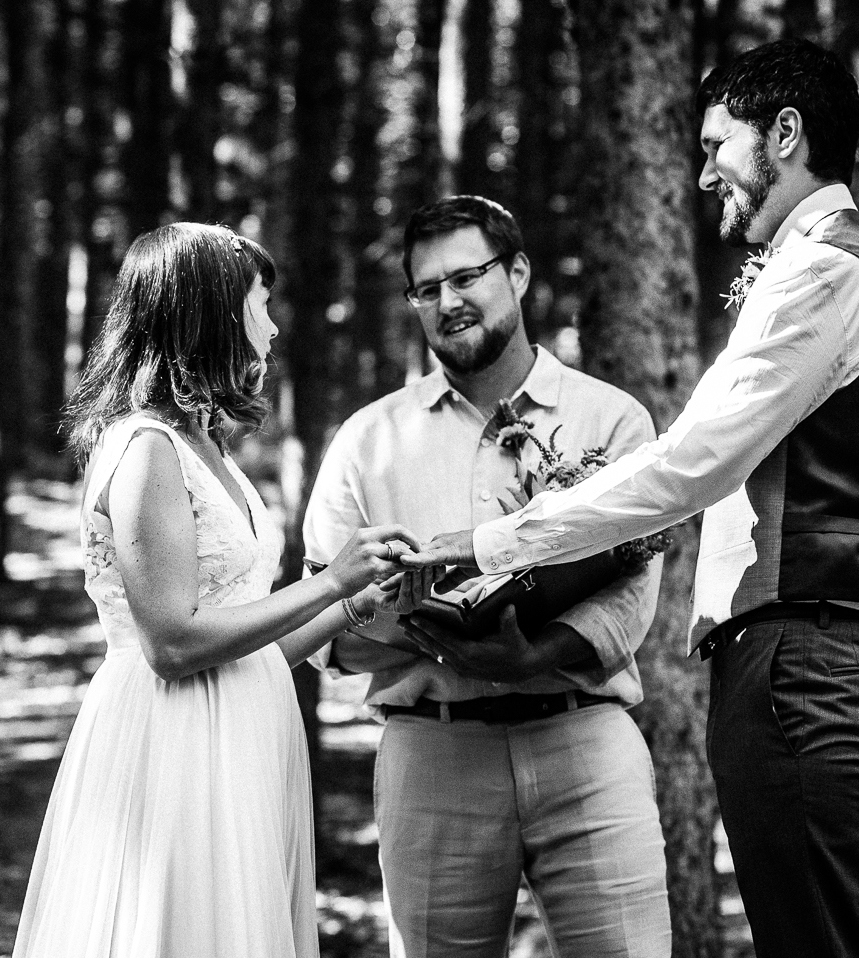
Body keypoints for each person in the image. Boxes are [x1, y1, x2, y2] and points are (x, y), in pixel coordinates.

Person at [401, 41, 859, 958]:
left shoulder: (819, 270)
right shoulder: (857, 265)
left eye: (718, 145)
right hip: (835, 659)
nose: (703, 172)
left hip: (804, 667)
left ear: (784, 136)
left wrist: (492, 545)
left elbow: (691, 465)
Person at [11, 222, 419, 958]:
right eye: (260, 304)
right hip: (172, 743)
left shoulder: (209, 447)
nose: (271, 324)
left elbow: (246, 646)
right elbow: (172, 644)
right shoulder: (144, 447)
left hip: (242, 731)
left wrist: (351, 603)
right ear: (212, 312)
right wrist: (327, 579)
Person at [303, 195, 672, 958]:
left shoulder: (612, 422)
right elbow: (322, 626)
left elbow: (634, 597)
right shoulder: (367, 441)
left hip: (585, 740)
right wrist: (406, 624)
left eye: (466, 276)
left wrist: (534, 657)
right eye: (426, 289)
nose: (448, 302)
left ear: (520, 272)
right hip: (431, 756)